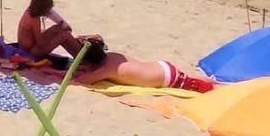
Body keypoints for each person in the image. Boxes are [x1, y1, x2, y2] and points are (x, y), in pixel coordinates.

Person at [71, 49, 214, 92]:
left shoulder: (106, 69)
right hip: (161, 66)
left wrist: (85, 72)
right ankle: (212, 81)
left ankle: (214, 88)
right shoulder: (112, 56)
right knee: (187, 79)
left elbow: (82, 80)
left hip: (163, 77)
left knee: (197, 87)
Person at [16, 0, 95, 63]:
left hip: (29, 46)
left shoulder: (29, 11)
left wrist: (54, 29)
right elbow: (41, 44)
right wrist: (53, 33)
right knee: (64, 35)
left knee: (59, 31)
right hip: (32, 52)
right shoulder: (34, 20)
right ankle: (82, 57)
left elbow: (36, 37)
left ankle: (78, 55)